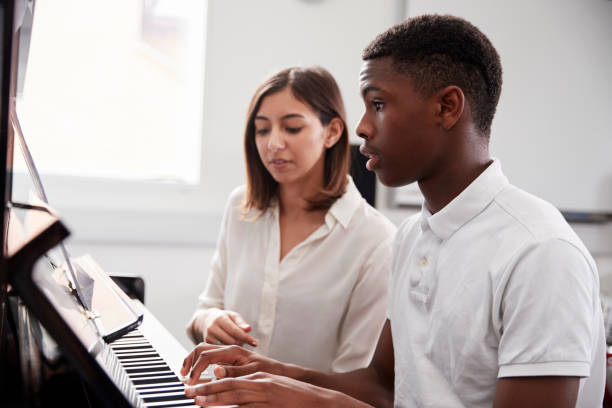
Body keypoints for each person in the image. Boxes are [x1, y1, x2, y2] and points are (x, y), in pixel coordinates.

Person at [181, 14, 606, 407]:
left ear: (447, 107)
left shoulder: (540, 252)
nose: (362, 127)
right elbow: (383, 385)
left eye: (378, 105)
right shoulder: (413, 237)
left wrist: (306, 400)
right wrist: (271, 372)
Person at [185, 66, 396, 374]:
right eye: (262, 129)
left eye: (292, 128)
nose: (273, 144)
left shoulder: (375, 240)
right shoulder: (240, 209)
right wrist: (209, 321)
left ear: (332, 132)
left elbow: (355, 381)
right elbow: (205, 310)